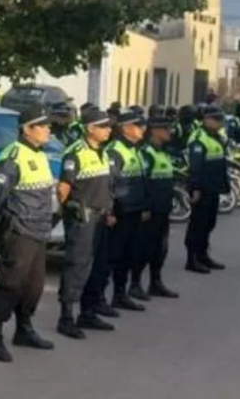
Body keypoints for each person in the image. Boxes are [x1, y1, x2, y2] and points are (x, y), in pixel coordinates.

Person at [0, 106, 56, 363]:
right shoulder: (13, 156)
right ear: (27, 129)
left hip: (38, 231)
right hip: (20, 232)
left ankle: (24, 329)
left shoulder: (40, 155)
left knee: (34, 286)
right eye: (43, 125)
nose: (49, 129)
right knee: (10, 283)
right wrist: (6, 227)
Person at [55, 107, 113, 339]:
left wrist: (108, 210)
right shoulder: (75, 153)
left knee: (96, 266)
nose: (109, 130)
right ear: (91, 128)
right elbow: (63, 189)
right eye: (104, 126)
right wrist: (72, 211)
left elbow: (105, 186)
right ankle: (66, 317)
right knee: (77, 266)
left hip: (100, 217)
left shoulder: (103, 151)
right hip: (83, 218)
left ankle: (87, 312)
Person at [104, 111, 149, 309]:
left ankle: (120, 294)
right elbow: (110, 184)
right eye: (138, 125)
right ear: (125, 128)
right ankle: (101, 299)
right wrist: (111, 211)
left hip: (134, 209)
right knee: (114, 255)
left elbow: (140, 181)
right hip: (121, 212)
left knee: (130, 254)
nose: (142, 129)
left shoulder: (134, 149)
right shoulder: (115, 150)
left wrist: (144, 205)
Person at [133, 115, 180, 298]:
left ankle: (155, 282)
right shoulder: (146, 153)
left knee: (160, 249)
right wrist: (145, 207)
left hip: (163, 208)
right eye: (166, 129)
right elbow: (142, 182)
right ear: (154, 131)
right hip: (150, 210)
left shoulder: (163, 152)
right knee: (144, 248)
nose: (170, 132)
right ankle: (135, 284)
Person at [184, 106, 228, 273]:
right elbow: (195, 166)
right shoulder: (198, 138)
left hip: (213, 187)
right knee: (198, 224)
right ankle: (192, 259)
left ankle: (203, 255)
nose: (220, 123)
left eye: (220, 120)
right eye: (216, 120)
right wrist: (195, 188)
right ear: (207, 120)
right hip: (201, 188)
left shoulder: (216, 136)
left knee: (209, 223)